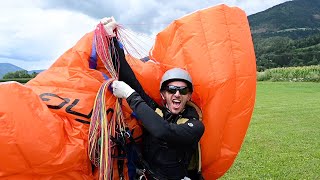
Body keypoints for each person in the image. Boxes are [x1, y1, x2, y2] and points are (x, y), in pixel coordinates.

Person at [103, 17, 205, 179]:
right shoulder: (156, 111)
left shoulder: (195, 125)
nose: (177, 94)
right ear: (163, 94)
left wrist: (130, 96)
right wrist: (111, 38)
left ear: (189, 96)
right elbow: (129, 79)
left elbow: (164, 131)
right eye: (171, 90)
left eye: (182, 90)